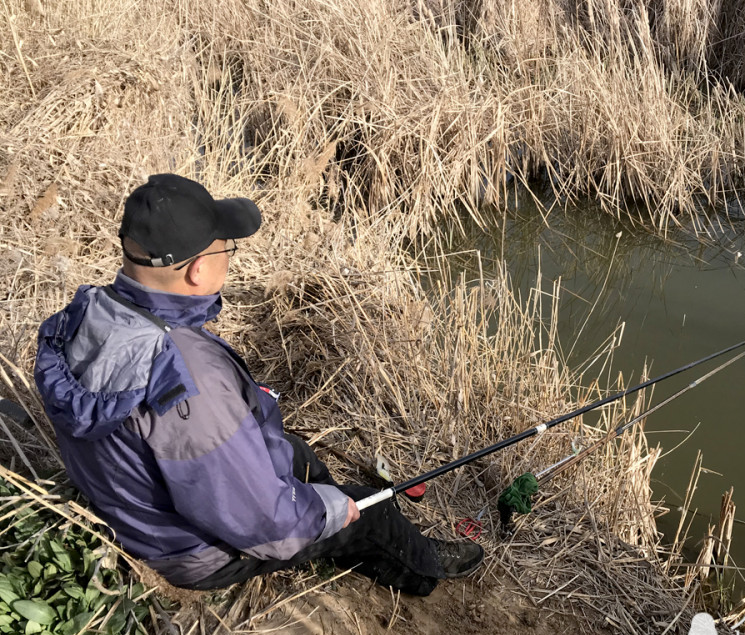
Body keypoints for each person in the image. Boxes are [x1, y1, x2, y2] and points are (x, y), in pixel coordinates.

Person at [34, 174, 483, 595]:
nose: (230, 256)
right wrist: (328, 512)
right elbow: (261, 520)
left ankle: (337, 521)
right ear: (197, 271)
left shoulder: (90, 312)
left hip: (134, 504)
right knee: (372, 511)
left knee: (299, 455)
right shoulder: (189, 381)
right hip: (188, 550)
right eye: (226, 248)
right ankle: (425, 569)